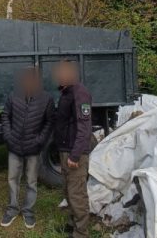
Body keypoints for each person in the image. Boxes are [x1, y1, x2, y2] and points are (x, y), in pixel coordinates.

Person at [0, 67, 54, 229]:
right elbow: (5, 116)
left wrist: (39, 141)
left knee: (31, 181)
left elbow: (49, 121)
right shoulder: (13, 96)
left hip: (33, 148)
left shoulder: (46, 99)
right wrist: (8, 136)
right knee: (12, 179)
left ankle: (28, 212)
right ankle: (12, 209)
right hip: (14, 146)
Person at [53, 61, 93, 238]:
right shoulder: (66, 92)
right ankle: (72, 224)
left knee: (77, 193)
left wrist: (75, 155)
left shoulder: (79, 92)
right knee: (68, 191)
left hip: (74, 152)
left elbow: (84, 126)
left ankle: (81, 233)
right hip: (65, 149)